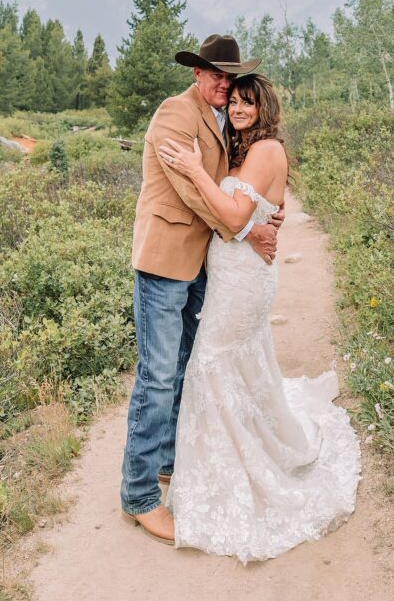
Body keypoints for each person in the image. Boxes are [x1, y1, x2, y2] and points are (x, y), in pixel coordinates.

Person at [158, 73, 361, 563]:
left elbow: (230, 216)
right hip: (232, 273)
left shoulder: (266, 149)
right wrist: (255, 220)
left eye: (249, 102)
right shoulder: (244, 151)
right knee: (231, 363)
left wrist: (192, 167)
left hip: (244, 281)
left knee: (211, 361)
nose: (241, 108)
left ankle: (232, 469)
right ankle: (231, 453)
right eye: (237, 101)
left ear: (264, 107)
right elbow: (254, 213)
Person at [120, 35, 284, 545]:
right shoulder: (174, 114)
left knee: (185, 366)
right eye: (214, 74)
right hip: (166, 261)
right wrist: (244, 228)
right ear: (196, 73)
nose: (223, 84)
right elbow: (191, 188)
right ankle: (140, 495)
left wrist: (261, 214)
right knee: (157, 375)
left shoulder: (222, 121)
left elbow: (243, 184)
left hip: (200, 265)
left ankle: (168, 461)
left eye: (229, 77)